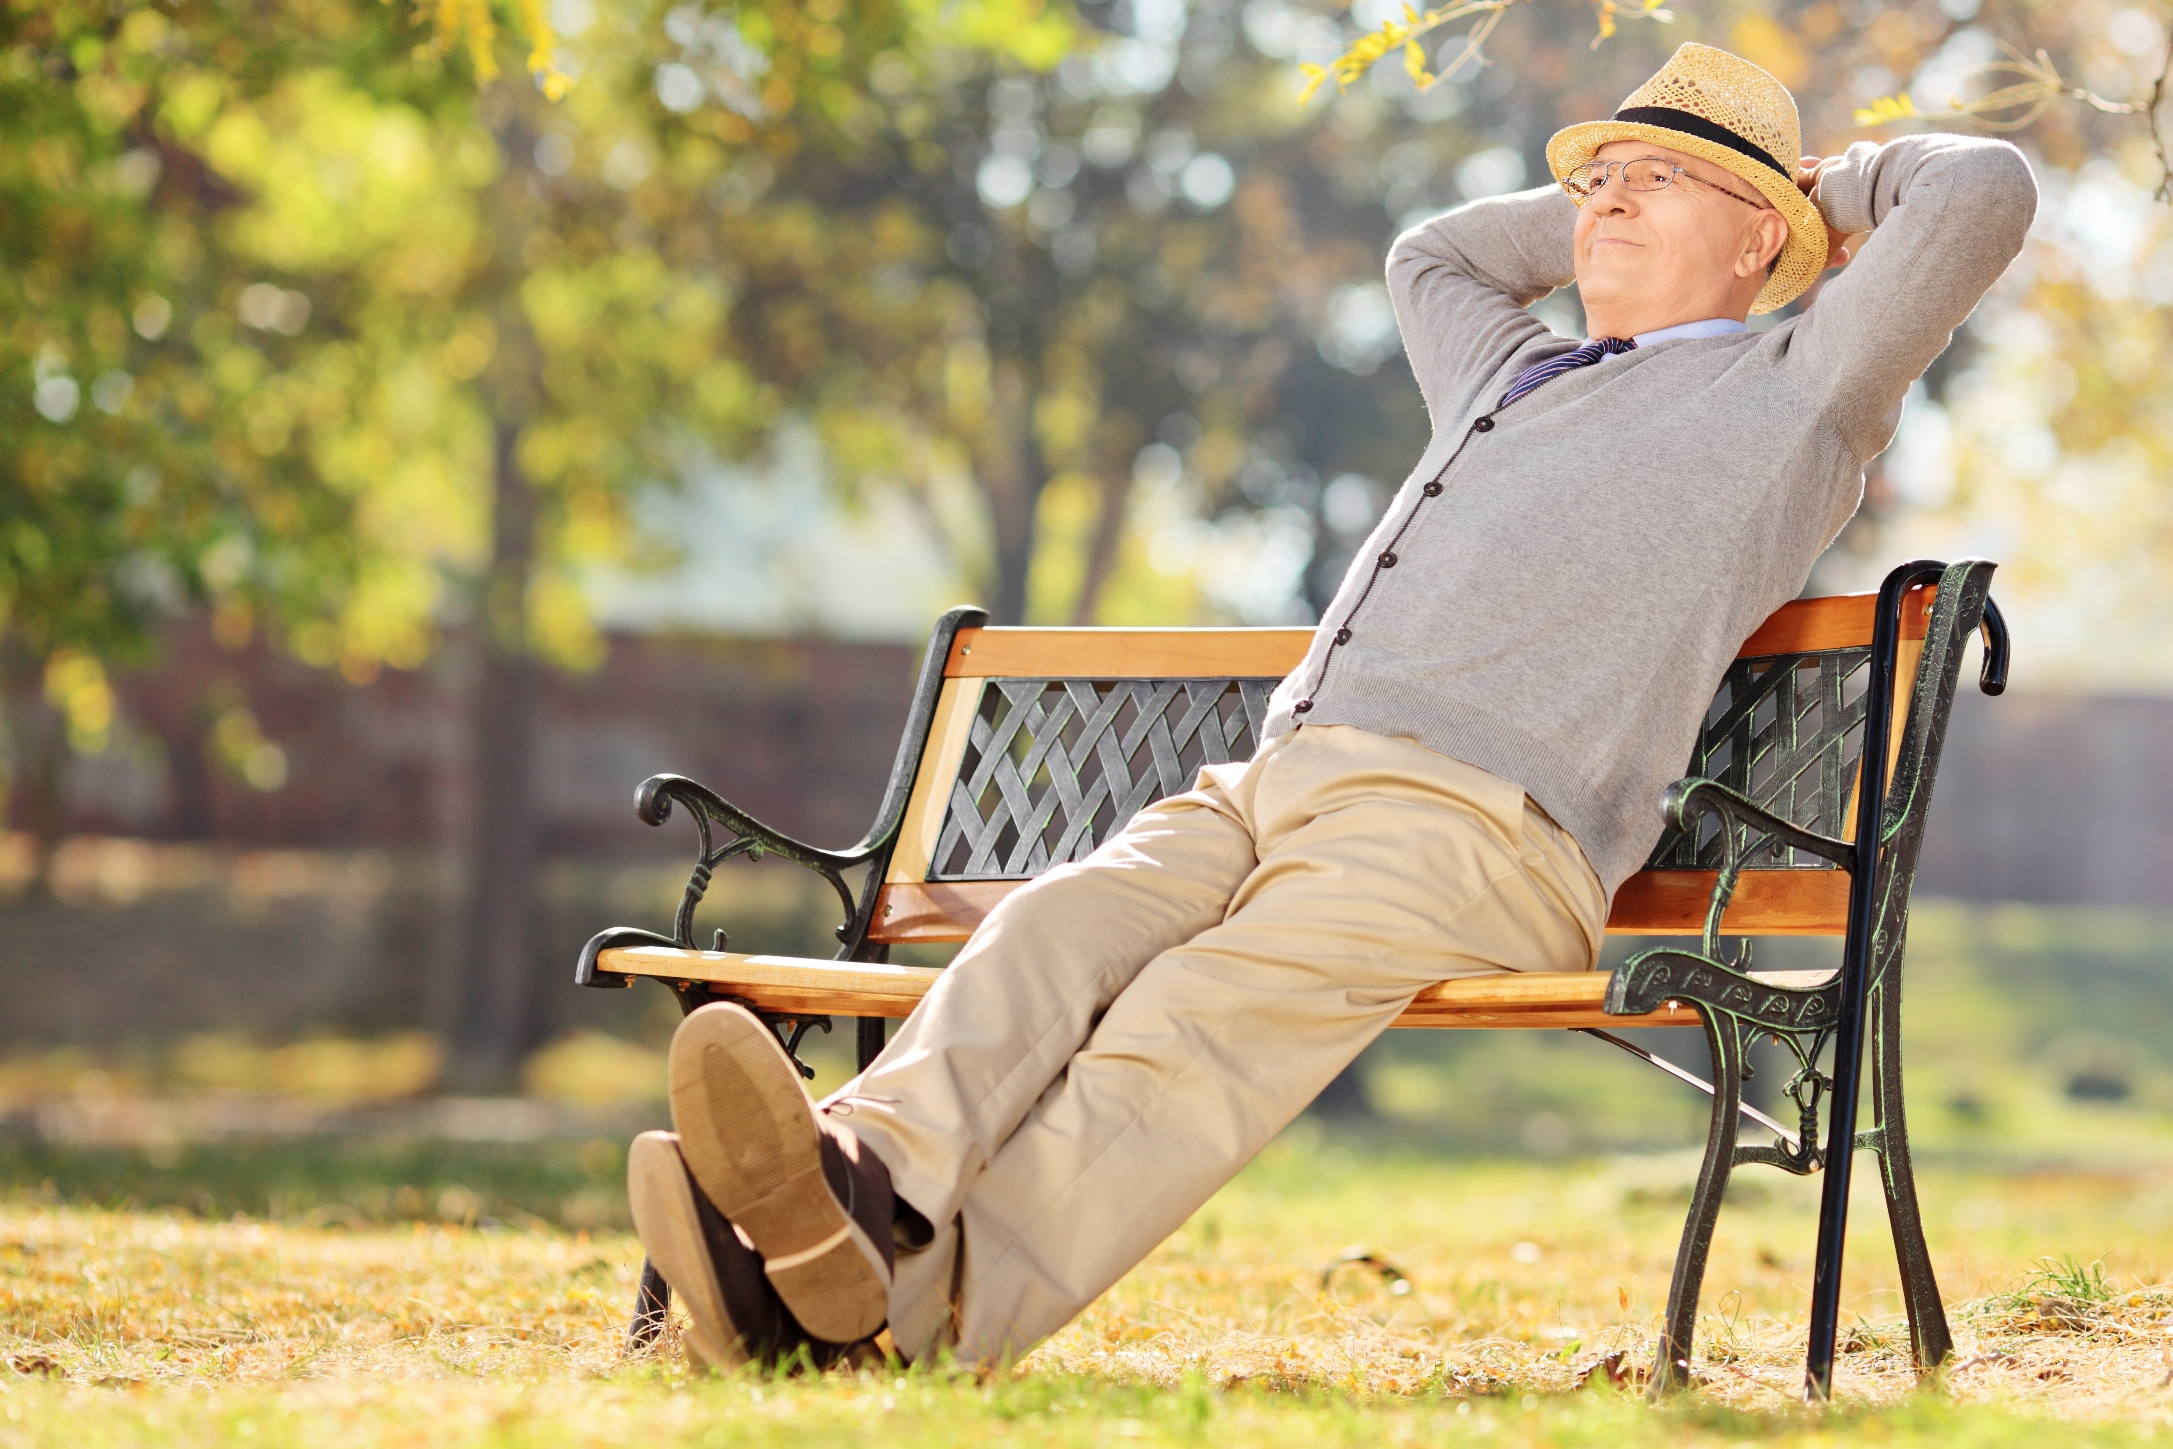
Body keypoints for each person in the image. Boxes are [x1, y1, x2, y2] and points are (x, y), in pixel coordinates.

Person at [623, 42, 2038, 1370]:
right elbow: (1432, 253)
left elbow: (1984, 191)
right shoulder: (1508, 370)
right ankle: (857, 1183)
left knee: (1191, 1019)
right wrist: (1623, 196)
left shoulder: (1793, 390)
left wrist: (1820, 195)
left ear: (1755, 243)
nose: (1606, 198)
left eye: (1658, 179)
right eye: (1595, 176)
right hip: (1270, 782)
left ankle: (902, 1318)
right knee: (1055, 926)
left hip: (1474, 829)